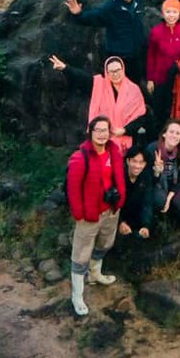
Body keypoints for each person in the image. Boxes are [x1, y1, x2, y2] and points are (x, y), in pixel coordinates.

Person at [65, 115, 127, 316]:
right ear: (90, 133)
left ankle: (95, 273)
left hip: (111, 209)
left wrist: (120, 198)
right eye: (98, 130)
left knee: (105, 243)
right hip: (89, 214)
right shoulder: (80, 157)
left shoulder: (114, 151)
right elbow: (73, 189)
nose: (102, 134)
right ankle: (77, 295)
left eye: (105, 130)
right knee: (81, 254)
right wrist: (79, 214)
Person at [64, 0, 150, 89]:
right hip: (119, 58)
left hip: (136, 56)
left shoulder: (139, 2)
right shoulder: (110, 7)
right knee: (117, 89)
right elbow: (93, 17)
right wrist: (78, 14)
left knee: (135, 87)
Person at [48, 53, 150, 151]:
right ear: (107, 72)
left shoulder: (134, 90)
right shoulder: (100, 85)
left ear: (123, 69)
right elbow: (82, 78)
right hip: (102, 139)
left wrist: (124, 131)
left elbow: (140, 117)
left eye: (118, 70)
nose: (115, 74)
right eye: (112, 71)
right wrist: (65, 68)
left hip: (127, 141)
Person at [123, 127, 180, 235]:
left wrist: (170, 196)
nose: (174, 135)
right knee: (160, 201)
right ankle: (164, 218)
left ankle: (174, 211)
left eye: (178, 133)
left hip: (173, 187)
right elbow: (147, 178)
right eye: (171, 132)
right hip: (157, 186)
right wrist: (157, 171)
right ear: (164, 134)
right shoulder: (153, 149)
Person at [145, 0, 180, 107]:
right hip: (160, 78)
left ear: (179, 14)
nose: (171, 15)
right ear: (163, 13)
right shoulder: (156, 32)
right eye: (168, 12)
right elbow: (151, 56)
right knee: (160, 107)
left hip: (178, 78)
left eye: (175, 12)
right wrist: (150, 79)